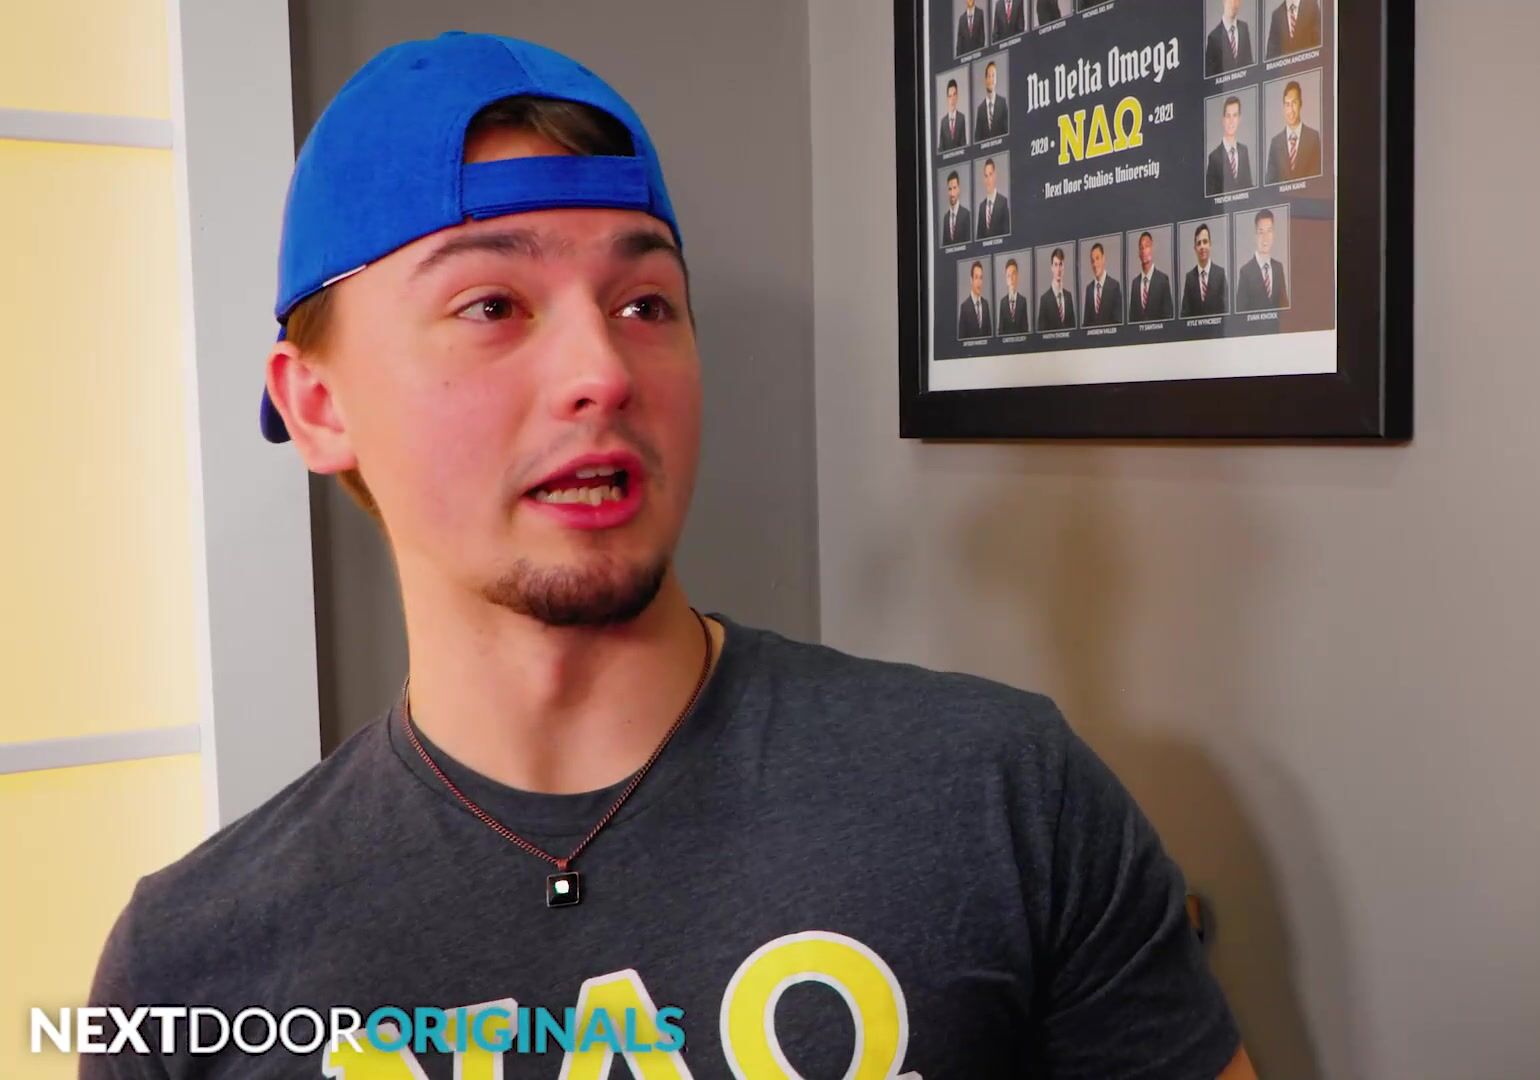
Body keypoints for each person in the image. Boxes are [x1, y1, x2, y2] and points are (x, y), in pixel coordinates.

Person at [84, 30, 1254, 1080]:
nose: (601, 371)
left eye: (644, 304)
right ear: (319, 404)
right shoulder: (192, 966)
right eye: (492, 305)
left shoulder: (1003, 796)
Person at [1265, 79, 1323, 183]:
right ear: (1283, 108)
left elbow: (1317, 181)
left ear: (1300, 104)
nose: (1290, 110)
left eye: (1294, 103)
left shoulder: (1313, 138)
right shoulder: (1275, 143)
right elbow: (1270, 184)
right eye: (1287, 104)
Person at [1234, 209, 1287, 311]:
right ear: (1255, 235)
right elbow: (1240, 312)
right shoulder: (1246, 272)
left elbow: (1285, 307)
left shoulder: (1278, 268)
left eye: (1269, 231)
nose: (1265, 237)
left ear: (1273, 234)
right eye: (1261, 232)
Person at [1205, 95, 1254, 195]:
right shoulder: (1214, 157)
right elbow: (1210, 196)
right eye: (1228, 116)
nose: (1231, 121)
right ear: (1223, 120)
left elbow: (1248, 187)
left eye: (1235, 115)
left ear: (1239, 119)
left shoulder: (1244, 151)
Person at [1180, 223, 1230, 316]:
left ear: (1210, 244)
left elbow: (1226, 310)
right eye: (1199, 243)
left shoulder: (1220, 274)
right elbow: (1184, 314)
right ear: (1195, 248)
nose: (1202, 246)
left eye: (1205, 242)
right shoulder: (1190, 278)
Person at [1127, 231, 1174, 322]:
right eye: (1141, 248)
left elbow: (1168, 316)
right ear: (1139, 253)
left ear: (1152, 248)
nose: (1144, 250)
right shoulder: (1135, 283)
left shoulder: (1162, 280)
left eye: (1147, 246)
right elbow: (1132, 318)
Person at [1205, 0, 1255, 75]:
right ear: (1224, 2)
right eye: (1230, 0)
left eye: (1236, 1)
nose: (1233, 4)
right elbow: (1210, 74)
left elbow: (1249, 61)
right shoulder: (1213, 38)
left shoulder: (1244, 28)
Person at [1083, 242, 1123, 327]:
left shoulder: (1114, 286)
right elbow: (1086, 323)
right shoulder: (1089, 289)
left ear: (1103, 259)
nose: (1095, 264)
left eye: (1097, 258)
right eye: (1092, 261)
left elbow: (1118, 321)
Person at [1037, 246, 1076, 330]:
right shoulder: (1044, 299)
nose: (1058, 269)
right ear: (1052, 267)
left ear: (1063, 267)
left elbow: (1073, 329)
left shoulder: (1068, 296)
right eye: (1056, 264)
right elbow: (1041, 333)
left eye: (1060, 264)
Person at [974, 61, 1009, 141]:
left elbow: (1007, 133)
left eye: (993, 76)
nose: (991, 79)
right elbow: (977, 139)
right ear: (985, 80)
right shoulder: (980, 109)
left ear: (996, 79)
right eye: (989, 76)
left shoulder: (1002, 103)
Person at [976, 157, 1011, 239]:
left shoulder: (1003, 202)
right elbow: (979, 237)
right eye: (986, 176)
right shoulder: (982, 206)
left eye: (990, 174)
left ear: (995, 175)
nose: (988, 179)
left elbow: (1007, 234)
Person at [959, 260, 993, 338]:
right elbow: (962, 338)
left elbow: (989, 334)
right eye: (976, 277)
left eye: (981, 278)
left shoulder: (985, 304)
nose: (979, 282)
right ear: (971, 280)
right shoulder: (964, 307)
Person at [998, 258, 1030, 334]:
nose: (1011, 278)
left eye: (1013, 274)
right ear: (1006, 279)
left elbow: (1025, 329)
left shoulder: (1022, 301)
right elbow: (1001, 330)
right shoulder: (1003, 302)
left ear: (1017, 276)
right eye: (1008, 275)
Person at [942, 169, 972, 244]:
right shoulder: (946, 218)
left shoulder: (966, 214)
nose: (952, 193)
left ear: (959, 189)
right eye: (950, 189)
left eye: (954, 188)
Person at [938, 78, 967, 152]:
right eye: (950, 96)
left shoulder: (961, 118)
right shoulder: (943, 122)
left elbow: (963, 145)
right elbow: (941, 148)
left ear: (957, 96)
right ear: (947, 98)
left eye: (954, 95)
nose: (952, 99)